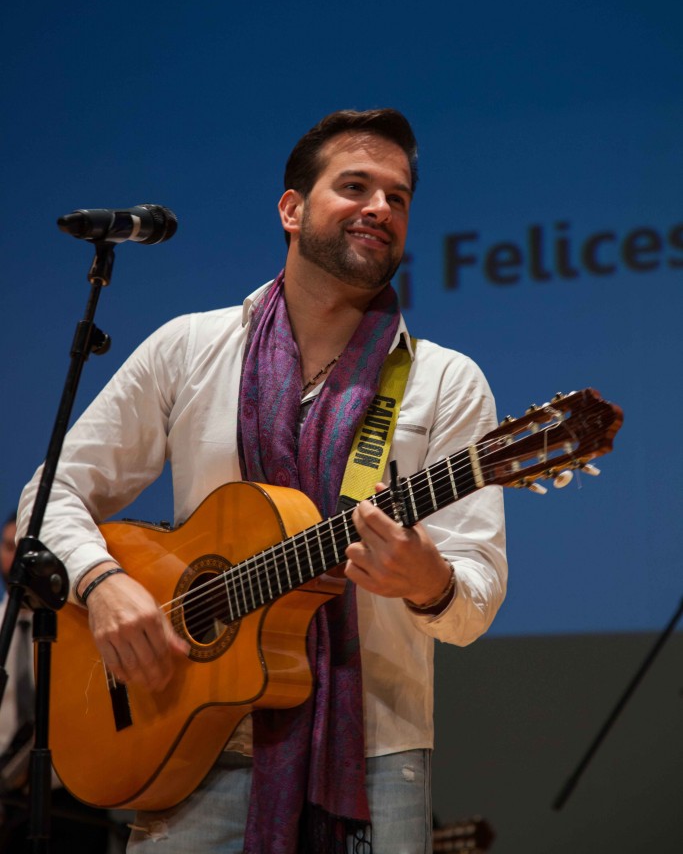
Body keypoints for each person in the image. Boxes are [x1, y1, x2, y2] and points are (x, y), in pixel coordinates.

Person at [18, 108, 507, 854]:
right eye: (355, 186)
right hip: (183, 743)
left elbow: (475, 593)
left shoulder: (444, 381)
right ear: (291, 209)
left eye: (398, 197)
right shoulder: (189, 348)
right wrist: (101, 583)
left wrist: (427, 581)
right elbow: (50, 494)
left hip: (370, 760)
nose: (380, 207)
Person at [0, 515, 118, 852]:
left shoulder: (84, 630)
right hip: (7, 802)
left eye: (29, 550)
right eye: (9, 547)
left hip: (74, 795)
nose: (18, 560)